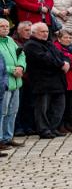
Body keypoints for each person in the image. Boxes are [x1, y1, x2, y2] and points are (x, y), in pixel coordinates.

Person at [21, 22, 67, 138]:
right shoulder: (31, 45)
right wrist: (61, 64)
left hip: (57, 81)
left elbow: (61, 55)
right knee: (42, 108)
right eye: (42, 31)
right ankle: (43, 130)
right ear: (34, 32)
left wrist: (67, 63)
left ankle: (53, 127)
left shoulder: (49, 44)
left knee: (58, 107)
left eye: (46, 31)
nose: (45, 34)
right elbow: (45, 59)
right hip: (42, 81)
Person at [0, 18, 23, 149]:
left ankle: (8, 137)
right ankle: (0, 139)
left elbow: (21, 54)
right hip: (4, 82)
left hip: (16, 81)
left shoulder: (10, 40)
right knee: (2, 112)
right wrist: (11, 70)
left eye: (7, 26)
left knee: (13, 111)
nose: (5, 28)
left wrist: (20, 66)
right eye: (2, 26)